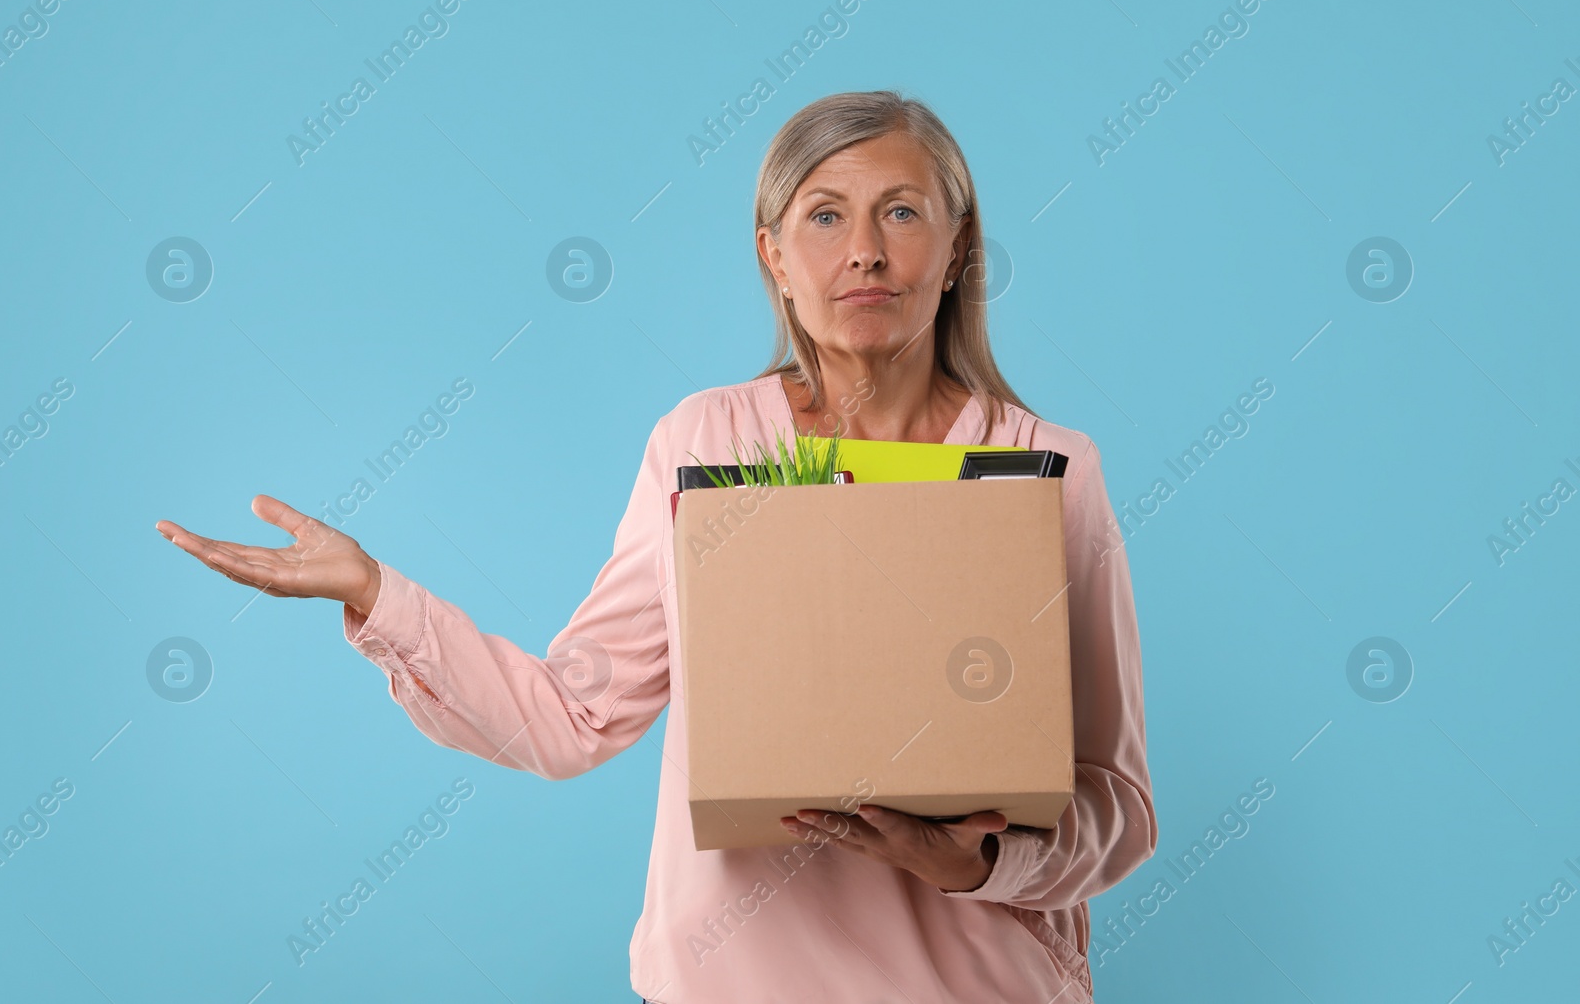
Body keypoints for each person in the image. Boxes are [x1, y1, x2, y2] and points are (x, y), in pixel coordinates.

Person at [157, 90, 1157, 1002]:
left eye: (901, 210)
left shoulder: (1049, 468)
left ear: (957, 246)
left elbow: (1117, 800)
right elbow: (570, 713)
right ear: (773, 253)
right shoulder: (704, 445)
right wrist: (378, 595)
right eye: (824, 214)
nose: (864, 250)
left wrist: (976, 865)